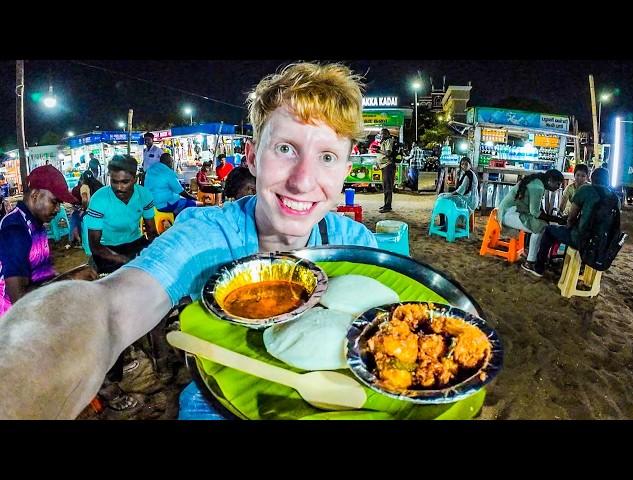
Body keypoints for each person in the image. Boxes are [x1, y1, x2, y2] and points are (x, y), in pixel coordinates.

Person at [0, 61, 378, 419]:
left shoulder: (356, 244)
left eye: (327, 156)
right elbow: (112, 308)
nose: (303, 180)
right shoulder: (208, 234)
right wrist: (22, 373)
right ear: (252, 157)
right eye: (284, 149)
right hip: (213, 400)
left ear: (346, 171)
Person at [84, 154, 159, 411]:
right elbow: (95, 245)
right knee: (113, 310)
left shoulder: (144, 195)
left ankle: (128, 351)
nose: (118, 186)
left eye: (124, 181)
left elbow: (151, 231)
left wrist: (155, 253)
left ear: (134, 179)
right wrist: (125, 261)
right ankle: (112, 378)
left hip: (132, 244)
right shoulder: (99, 199)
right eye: (114, 181)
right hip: (106, 251)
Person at [0, 165, 78, 317]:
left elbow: (41, 272)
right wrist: (68, 278)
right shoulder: (16, 231)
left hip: (34, 315)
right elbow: (19, 299)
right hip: (10, 325)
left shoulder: (36, 223)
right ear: (35, 195)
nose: (58, 209)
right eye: (55, 202)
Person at [532, 168, 619, 277]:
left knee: (549, 231)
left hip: (582, 240)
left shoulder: (585, 190)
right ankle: (580, 267)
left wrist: (567, 225)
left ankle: (539, 268)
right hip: (603, 244)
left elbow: (571, 217)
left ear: (591, 178)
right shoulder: (615, 198)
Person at [497, 169, 566, 275]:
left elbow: (537, 208)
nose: (558, 187)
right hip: (507, 214)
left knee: (542, 225)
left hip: (513, 210)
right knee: (540, 228)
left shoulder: (538, 182)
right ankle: (530, 262)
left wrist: (551, 219)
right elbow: (535, 212)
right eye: (558, 184)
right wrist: (557, 219)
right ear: (550, 180)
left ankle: (532, 255)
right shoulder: (537, 187)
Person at [378, 128, 395, 212]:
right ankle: (386, 204)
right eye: (381, 134)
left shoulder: (389, 141)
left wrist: (378, 150)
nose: (382, 135)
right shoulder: (383, 142)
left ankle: (388, 206)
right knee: (385, 186)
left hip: (388, 165)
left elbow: (388, 153)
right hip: (384, 166)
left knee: (388, 186)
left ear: (388, 134)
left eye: (384, 134)